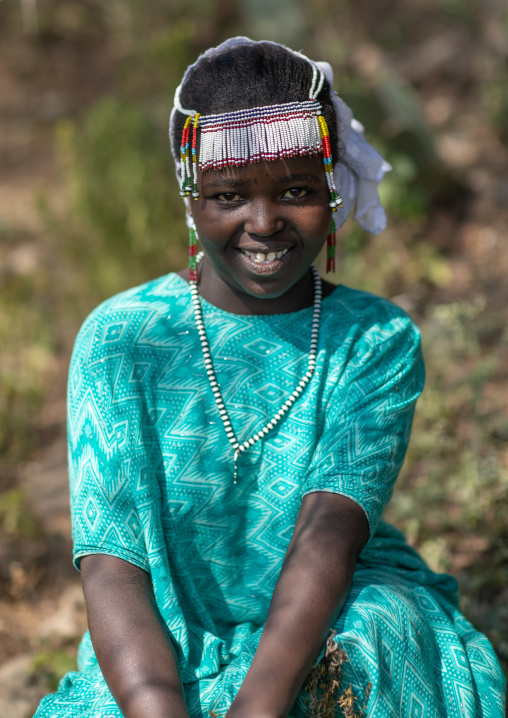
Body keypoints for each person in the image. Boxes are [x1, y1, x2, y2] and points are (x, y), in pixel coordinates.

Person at [34, 37, 505, 718]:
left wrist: (257, 708)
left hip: (326, 618)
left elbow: (330, 536)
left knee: (379, 633)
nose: (263, 222)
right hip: (161, 635)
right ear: (191, 199)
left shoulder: (373, 341)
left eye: (295, 190)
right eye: (229, 195)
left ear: (332, 188)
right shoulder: (123, 339)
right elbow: (113, 564)